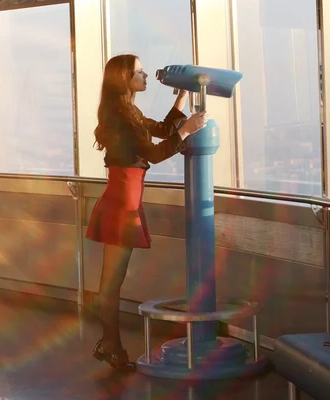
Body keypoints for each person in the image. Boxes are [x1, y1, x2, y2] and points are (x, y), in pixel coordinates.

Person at [86, 54, 208, 371]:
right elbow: (154, 151)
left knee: (112, 282)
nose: (145, 77)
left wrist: (181, 97)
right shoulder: (120, 114)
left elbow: (162, 128)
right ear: (124, 77)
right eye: (139, 72)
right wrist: (187, 130)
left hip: (124, 197)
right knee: (111, 284)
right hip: (121, 202)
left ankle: (110, 345)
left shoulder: (128, 110)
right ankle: (110, 345)